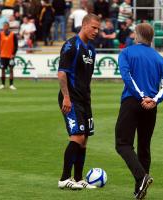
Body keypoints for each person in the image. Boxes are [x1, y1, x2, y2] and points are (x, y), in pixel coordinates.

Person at [115, 23, 163, 199]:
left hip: (132, 102)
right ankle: (140, 190)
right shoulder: (159, 58)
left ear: (136, 35)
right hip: (151, 107)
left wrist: (141, 97)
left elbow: (127, 76)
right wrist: (154, 100)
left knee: (123, 144)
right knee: (144, 147)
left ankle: (141, 178)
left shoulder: (126, 52)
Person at [57, 13, 101, 190]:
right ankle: (64, 178)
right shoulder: (71, 45)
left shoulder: (91, 50)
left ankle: (78, 179)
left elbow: (86, 78)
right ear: (84, 25)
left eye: (98, 28)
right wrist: (66, 97)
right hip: (71, 98)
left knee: (84, 139)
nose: (96, 31)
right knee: (77, 136)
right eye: (93, 27)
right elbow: (62, 73)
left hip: (85, 100)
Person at [0, 22, 18, 90]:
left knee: (11, 70)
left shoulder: (13, 34)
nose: (5, 27)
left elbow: (16, 46)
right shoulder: (0, 34)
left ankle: (11, 85)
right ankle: (3, 84)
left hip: (10, 56)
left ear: (8, 27)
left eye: (6, 26)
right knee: (2, 70)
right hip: (3, 55)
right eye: (4, 26)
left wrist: (13, 54)